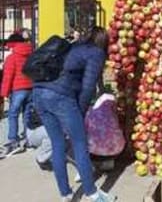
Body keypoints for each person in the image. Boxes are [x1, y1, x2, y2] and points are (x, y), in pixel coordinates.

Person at [32, 27, 116, 202]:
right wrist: (80, 110)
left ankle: (66, 194)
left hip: (39, 93)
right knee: (80, 144)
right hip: (61, 97)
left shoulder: (74, 46)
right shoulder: (96, 53)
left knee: (57, 144)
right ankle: (92, 193)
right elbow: (88, 87)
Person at [0, 33, 33, 156]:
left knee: (13, 115)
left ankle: (13, 140)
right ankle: (29, 139)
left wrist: (4, 93)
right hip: (31, 88)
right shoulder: (31, 55)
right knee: (27, 114)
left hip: (18, 89)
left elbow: (8, 77)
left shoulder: (11, 58)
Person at [24, 99, 53, 170]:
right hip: (34, 132)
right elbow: (36, 121)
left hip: (41, 130)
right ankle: (42, 158)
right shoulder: (38, 101)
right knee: (52, 133)